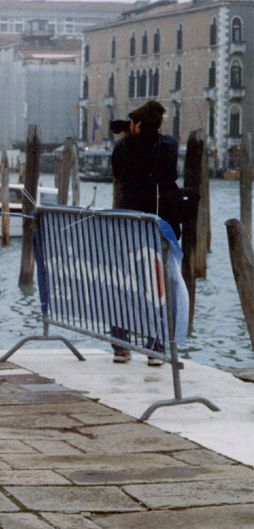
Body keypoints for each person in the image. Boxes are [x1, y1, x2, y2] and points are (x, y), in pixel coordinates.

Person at [110, 99, 179, 366]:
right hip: (157, 227)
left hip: (126, 226)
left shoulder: (121, 148)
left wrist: (130, 139)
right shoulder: (169, 146)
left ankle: (120, 345)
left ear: (137, 125)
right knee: (157, 286)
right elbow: (168, 174)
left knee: (124, 283)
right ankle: (154, 346)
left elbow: (118, 173)